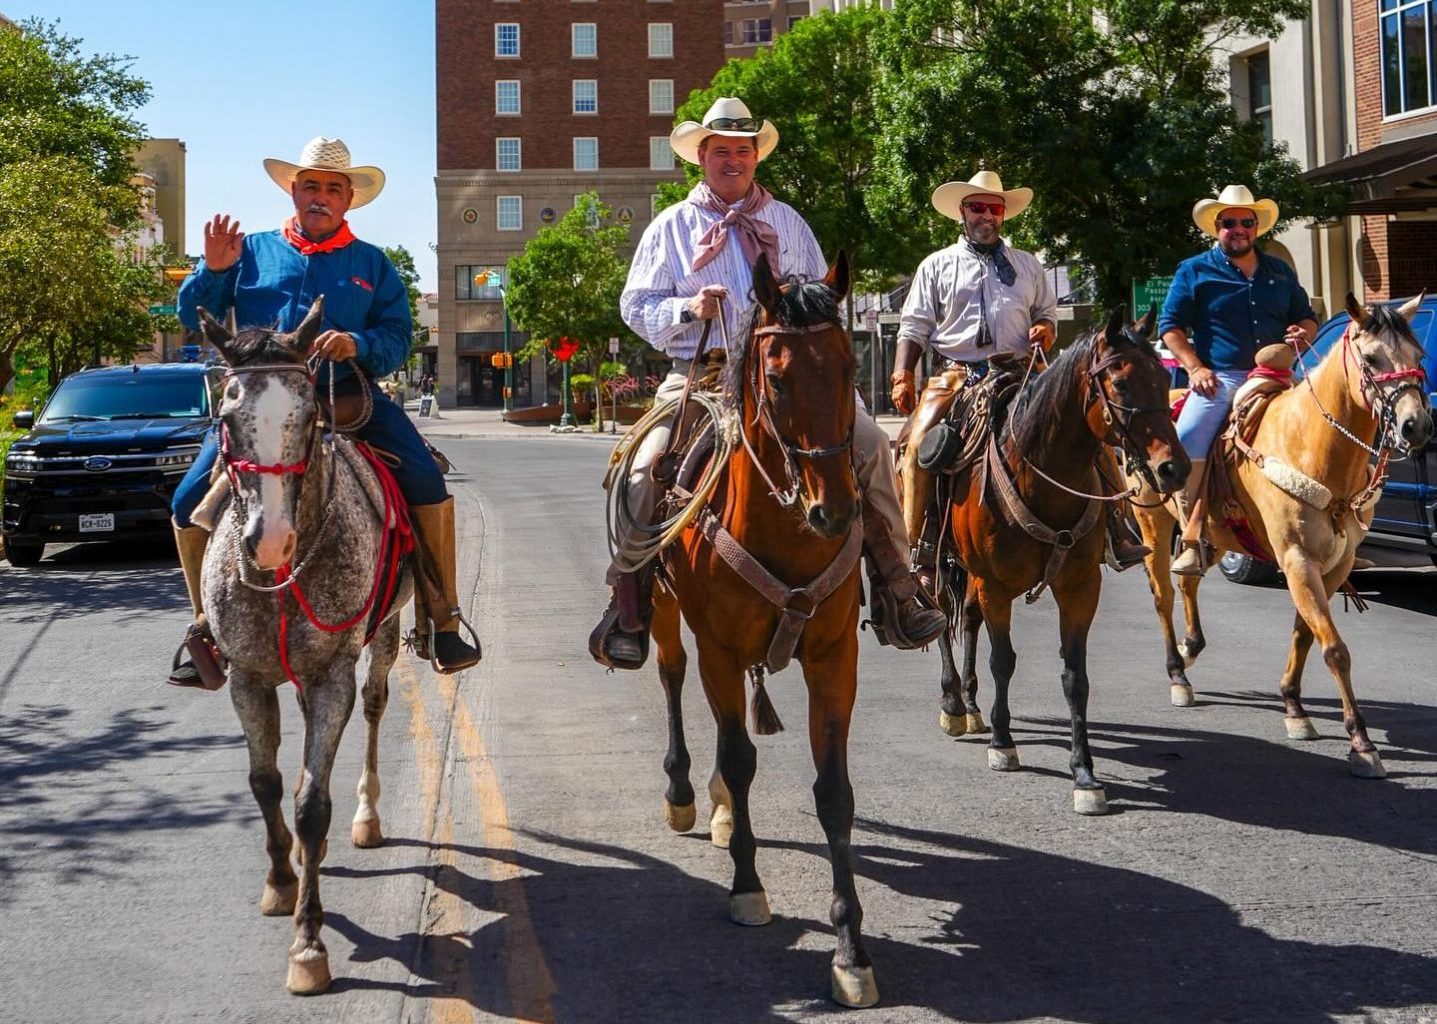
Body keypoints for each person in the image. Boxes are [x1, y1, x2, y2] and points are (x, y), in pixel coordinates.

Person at [589, 97, 945, 669]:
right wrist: (687, 308)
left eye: (743, 151)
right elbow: (635, 305)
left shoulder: (788, 222)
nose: (734, 161)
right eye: (722, 151)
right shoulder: (673, 227)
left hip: (787, 381)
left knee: (874, 446)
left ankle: (898, 586)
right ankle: (628, 602)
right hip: (699, 377)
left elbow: (820, 303)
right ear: (701, 157)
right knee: (644, 468)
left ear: (756, 158)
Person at [168, 137, 481, 684]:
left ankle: (443, 617)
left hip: (349, 400)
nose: (320, 196)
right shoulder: (250, 252)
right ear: (293, 191)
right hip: (263, 411)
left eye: (333, 188)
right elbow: (198, 316)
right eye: (310, 185)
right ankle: (205, 628)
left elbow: (398, 336)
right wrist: (214, 271)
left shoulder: (372, 264)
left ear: (348, 199)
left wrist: (357, 343)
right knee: (187, 496)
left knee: (428, 482)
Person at [892, 169, 1149, 586]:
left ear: (1003, 215)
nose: (986, 215)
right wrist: (903, 371)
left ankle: (1119, 525)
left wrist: (1046, 329)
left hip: (1025, 371)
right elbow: (914, 325)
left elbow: (1046, 312)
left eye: (994, 208)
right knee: (918, 442)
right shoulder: (936, 265)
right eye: (978, 207)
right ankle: (916, 545)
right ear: (963, 212)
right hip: (959, 374)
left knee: (1089, 429)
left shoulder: (1028, 264)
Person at [1159, 184, 1317, 576]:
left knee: (1329, 424)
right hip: (1223, 377)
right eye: (1229, 223)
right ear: (1217, 227)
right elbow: (1171, 327)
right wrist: (1195, 368)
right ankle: (1192, 536)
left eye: (1246, 222)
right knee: (1190, 437)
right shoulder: (1194, 270)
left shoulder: (1279, 271)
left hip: (1279, 375)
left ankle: (1343, 527)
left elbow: (1306, 316)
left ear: (1256, 227)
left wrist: (1303, 333)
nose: (1238, 229)